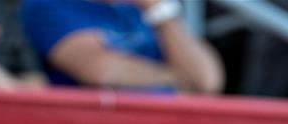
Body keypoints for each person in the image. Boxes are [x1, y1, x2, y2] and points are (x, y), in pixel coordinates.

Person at [19, 0, 223, 93]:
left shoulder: (138, 10)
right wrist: (180, 76)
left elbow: (207, 80)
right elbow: (102, 73)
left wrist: (161, 11)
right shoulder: (49, 5)